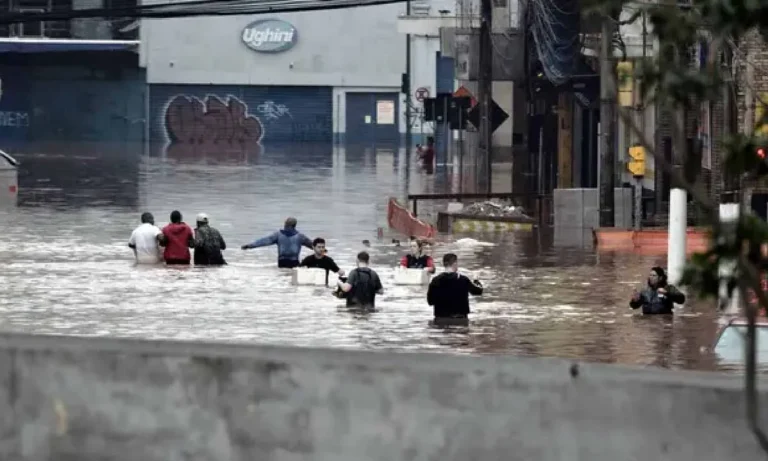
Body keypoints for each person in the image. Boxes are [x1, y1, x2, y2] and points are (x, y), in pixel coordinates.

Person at [427, 253, 483, 321]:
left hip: (441, 319)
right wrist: (476, 280)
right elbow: (478, 291)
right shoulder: (463, 280)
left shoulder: (435, 280)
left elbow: (430, 302)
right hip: (461, 320)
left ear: (444, 264)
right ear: (455, 263)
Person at [241, 217, 313, 268]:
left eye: (286, 224)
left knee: (282, 279)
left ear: (285, 224)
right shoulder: (300, 236)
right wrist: (323, 250)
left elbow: (264, 241)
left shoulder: (278, 235)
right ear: (294, 226)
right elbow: (313, 245)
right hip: (294, 262)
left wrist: (250, 246)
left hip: (282, 262)